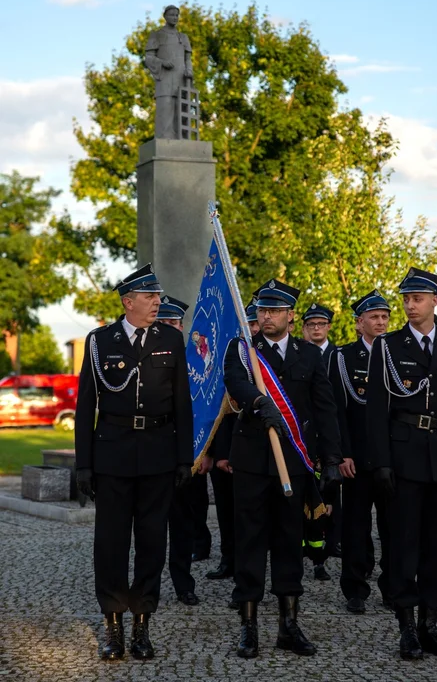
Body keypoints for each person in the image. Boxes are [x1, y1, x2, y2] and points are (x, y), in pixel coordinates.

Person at [75, 265, 194, 661]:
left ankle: (142, 624)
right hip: (112, 454)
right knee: (109, 544)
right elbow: (85, 407)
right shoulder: (99, 341)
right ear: (128, 302)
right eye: (149, 297)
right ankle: (113, 626)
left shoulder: (171, 341)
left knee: (151, 543)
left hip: (159, 454)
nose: (157, 302)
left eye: (158, 297)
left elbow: (182, 403)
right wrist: (84, 465)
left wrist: (183, 458)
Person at [223, 279, 343, 658]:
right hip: (253, 463)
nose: (266, 316)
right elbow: (235, 381)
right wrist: (260, 400)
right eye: (262, 310)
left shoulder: (309, 355)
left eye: (274, 310)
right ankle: (249, 625)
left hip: (294, 461)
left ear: (291, 316)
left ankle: (289, 625)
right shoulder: (243, 350)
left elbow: (325, 409)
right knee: (250, 542)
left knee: (290, 543)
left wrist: (333, 458)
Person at [367, 267, 437, 661]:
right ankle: (405, 628)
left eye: (417, 299)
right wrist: (380, 462)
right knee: (403, 545)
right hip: (403, 458)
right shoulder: (388, 346)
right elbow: (377, 412)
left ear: (434, 301)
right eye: (406, 299)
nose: (410, 306)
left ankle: (429, 624)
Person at [329, 290, 392, 614]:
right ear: (359, 323)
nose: (380, 322)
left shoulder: (396, 353)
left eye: (384, 317)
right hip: (355, 458)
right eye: (374, 317)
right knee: (354, 527)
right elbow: (337, 410)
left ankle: (393, 588)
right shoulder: (344, 357)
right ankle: (355, 588)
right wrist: (342, 454)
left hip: (390, 459)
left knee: (394, 526)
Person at [157, 294, 210, 605]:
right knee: (151, 524)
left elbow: (206, 410)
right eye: (164, 322)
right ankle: (147, 583)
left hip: (189, 454)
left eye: (175, 322)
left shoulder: (196, 359)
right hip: (155, 451)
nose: (171, 327)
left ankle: (183, 584)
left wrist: (203, 451)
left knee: (183, 523)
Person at [207, 302, 259, 587]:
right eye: (246, 325)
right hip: (225, 450)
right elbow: (220, 413)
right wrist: (218, 454)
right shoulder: (227, 358)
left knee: (250, 514)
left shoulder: (266, 359)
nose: (251, 329)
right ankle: (228, 559)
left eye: (254, 324)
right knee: (226, 511)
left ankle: (250, 568)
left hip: (255, 451)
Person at [301, 302, 342, 572]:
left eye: (321, 324)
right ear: (304, 328)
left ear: (328, 327)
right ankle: (307, 547)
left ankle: (328, 547)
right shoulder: (298, 354)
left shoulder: (339, 357)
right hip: (303, 435)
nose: (316, 329)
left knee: (329, 498)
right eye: (311, 324)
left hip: (330, 435)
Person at [145, 5, 193, 139]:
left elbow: (188, 58)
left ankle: (182, 139)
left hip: (181, 78)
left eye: (177, 15)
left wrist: (189, 70)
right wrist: (162, 63)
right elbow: (149, 57)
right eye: (172, 15)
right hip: (164, 78)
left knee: (182, 109)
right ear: (165, 16)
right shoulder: (157, 35)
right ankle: (165, 139)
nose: (175, 17)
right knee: (165, 108)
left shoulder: (183, 37)